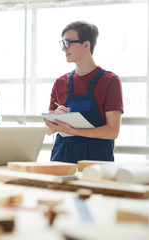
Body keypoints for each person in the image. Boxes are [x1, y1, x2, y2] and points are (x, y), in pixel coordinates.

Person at [43, 21, 123, 163]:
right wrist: (57, 118)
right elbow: (48, 131)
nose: (63, 48)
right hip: (62, 158)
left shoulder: (110, 81)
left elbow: (112, 131)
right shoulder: (60, 82)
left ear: (86, 45)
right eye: (62, 43)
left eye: (68, 43)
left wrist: (73, 131)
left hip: (96, 162)